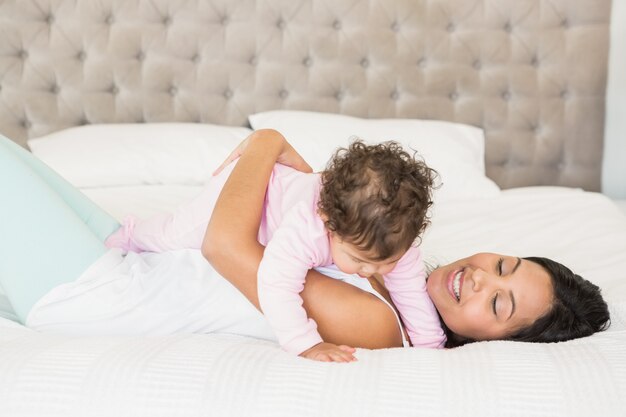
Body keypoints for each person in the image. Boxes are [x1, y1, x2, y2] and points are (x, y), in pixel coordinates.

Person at [0, 132, 610, 364]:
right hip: (129, 253)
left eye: (499, 305)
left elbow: (224, 244)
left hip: (101, 292)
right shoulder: (386, 246)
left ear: (486, 342)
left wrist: (264, 143)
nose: (481, 280)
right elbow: (326, 213)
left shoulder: (378, 324)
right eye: (502, 266)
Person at [105, 136, 444, 361]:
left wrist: (432, 349)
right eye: (358, 260)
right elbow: (276, 283)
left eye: (383, 264)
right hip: (252, 190)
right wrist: (306, 344)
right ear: (328, 221)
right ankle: (131, 235)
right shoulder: (307, 228)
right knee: (175, 233)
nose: (372, 271)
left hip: (287, 192)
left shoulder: (393, 239)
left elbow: (412, 294)